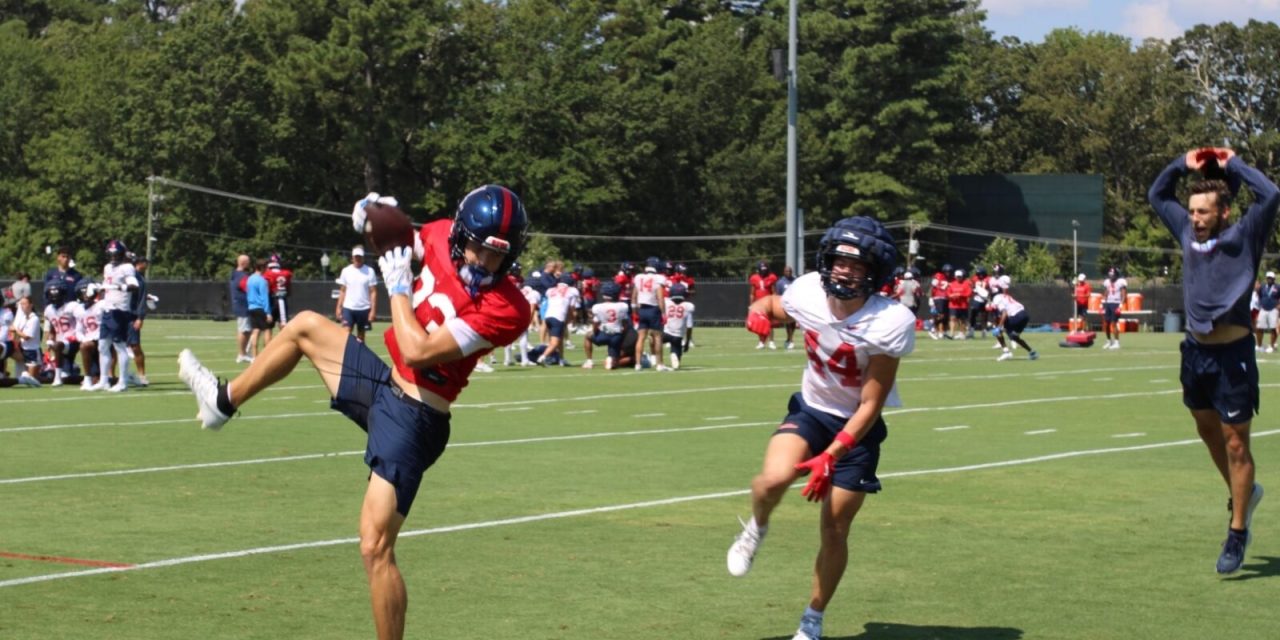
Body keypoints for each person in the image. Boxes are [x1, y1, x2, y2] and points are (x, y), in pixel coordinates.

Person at [177, 185, 531, 639]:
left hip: (416, 418)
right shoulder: (442, 236)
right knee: (304, 325)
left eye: (497, 256)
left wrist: (399, 287)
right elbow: (398, 236)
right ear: (462, 236)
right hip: (384, 386)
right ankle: (223, 402)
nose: (485, 263)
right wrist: (372, 214)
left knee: (374, 546)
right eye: (479, 250)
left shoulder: (509, 308)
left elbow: (417, 350)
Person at [731, 217, 915, 640]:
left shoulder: (890, 321)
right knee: (771, 481)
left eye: (857, 264)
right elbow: (773, 306)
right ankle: (756, 527)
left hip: (857, 430)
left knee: (834, 527)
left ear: (876, 271)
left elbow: (871, 403)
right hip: (812, 410)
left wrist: (832, 456)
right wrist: (756, 313)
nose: (844, 271)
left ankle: (812, 619)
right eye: (839, 261)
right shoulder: (808, 290)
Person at [1148, 146, 1278, 574]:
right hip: (1195, 352)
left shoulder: (1245, 234)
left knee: (1236, 441)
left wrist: (1232, 162)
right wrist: (1180, 164)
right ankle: (1245, 491)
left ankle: (1237, 532)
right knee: (1207, 431)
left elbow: (1271, 194)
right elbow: (1156, 194)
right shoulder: (1185, 231)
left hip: (1233, 355)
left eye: (1204, 211)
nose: (1196, 217)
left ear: (1224, 212)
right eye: (1193, 211)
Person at [95, 240, 138, 392]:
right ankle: (103, 380)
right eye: (111, 254)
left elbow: (134, 286)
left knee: (120, 347)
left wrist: (118, 286)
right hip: (107, 309)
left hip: (119, 310)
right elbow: (106, 285)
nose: (113, 257)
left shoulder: (127, 267)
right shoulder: (107, 267)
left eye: (116, 254)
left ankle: (123, 381)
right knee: (102, 346)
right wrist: (97, 288)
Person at [581, 281, 629, 370]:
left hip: (603, 335)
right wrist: (622, 333)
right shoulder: (623, 306)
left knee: (588, 336)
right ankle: (611, 359)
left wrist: (594, 332)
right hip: (617, 335)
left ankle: (589, 361)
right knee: (613, 361)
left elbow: (596, 323)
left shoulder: (597, 307)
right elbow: (625, 323)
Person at [336, 246, 379, 342]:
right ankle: (346, 356)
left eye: (359, 256)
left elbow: (373, 292)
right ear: (352, 258)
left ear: (363, 257)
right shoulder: (346, 271)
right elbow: (342, 290)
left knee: (361, 336)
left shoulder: (370, 271)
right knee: (346, 334)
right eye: (356, 256)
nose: (357, 259)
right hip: (348, 308)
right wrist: (338, 307)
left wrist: (373, 310)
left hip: (364, 309)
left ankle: (359, 356)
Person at [991, 276, 1038, 362]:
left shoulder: (997, 298)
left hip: (1015, 316)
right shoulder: (1006, 296)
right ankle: (1032, 352)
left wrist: (999, 327)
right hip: (1024, 315)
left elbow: (1004, 313)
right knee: (1014, 336)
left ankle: (1006, 352)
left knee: (997, 328)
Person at [126, 254, 150, 386]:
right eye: (144, 262)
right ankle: (113, 376)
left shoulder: (140, 278)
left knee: (135, 346)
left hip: (131, 316)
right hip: (123, 314)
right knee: (115, 347)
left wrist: (140, 317)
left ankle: (141, 375)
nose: (146, 265)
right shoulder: (129, 276)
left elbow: (141, 299)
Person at [661, 283, 694, 369]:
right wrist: (687, 342)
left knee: (653, 340)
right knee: (676, 351)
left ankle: (654, 357)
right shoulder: (688, 306)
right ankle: (674, 354)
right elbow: (689, 326)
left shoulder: (666, 302)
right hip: (678, 336)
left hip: (666, 333)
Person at [12, 295, 43, 387]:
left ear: (31, 305)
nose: (22, 306)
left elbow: (27, 336)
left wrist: (15, 330)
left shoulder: (34, 319)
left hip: (32, 351)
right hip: (23, 350)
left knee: (32, 381)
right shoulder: (23, 318)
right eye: (21, 304)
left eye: (24, 304)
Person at [245, 258, 273, 358]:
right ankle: (268, 355)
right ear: (262, 267)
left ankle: (254, 356)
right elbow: (264, 297)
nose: (267, 269)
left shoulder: (250, 279)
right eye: (266, 267)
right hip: (261, 308)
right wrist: (268, 312)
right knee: (267, 330)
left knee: (255, 330)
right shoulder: (262, 281)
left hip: (251, 307)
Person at [749, 261, 779, 349]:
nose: (763, 271)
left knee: (770, 323)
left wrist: (774, 303)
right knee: (760, 323)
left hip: (768, 303)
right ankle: (761, 342)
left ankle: (771, 342)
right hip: (758, 304)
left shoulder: (771, 277)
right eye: (762, 270)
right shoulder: (754, 278)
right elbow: (752, 293)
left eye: (765, 270)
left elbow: (774, 292)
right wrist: (751, 304)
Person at [229, 254, 253, 363]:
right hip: (243, 306)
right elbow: (248, 289)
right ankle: (242, 354)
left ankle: (244, 353)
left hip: (240, 305)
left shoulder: (235, 274)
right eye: (248, 262)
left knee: (247, 330)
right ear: (244, 263)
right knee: (244, 330)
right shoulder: (242, 276)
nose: (250, 264)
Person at [265, 253, 295, 327]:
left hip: (271, 299)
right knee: (283, 323)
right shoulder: (286, 273)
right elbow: (289, 287)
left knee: (268, 326)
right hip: (282, 299)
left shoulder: (267, 273)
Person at [1100, 267, 1127, 349]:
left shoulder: (1120, 282)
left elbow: (1124, 295)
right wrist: (1101, 304)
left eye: (1113, 275)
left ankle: (1117, 343)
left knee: (1113, 323)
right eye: (1110, 275)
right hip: (1108, 303)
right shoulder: (1107, 282)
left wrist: (1121, 305)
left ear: (1116, 275)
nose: (1111, 276)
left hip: (1116, 304)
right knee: (1105, 323)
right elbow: (1106, 292)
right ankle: (1109, 341)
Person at [1254, 271, 1279, 353]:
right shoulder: (1263, 286)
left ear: (1274, 279)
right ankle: (1259, 346)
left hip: (1273, 309)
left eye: (1271, 278)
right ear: (1266, 278)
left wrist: (1278, 306)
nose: (1269, 279)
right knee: (1259, 328)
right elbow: (1259, 294)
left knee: (1273, 328)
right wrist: (1261, 304)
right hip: (1263, 309)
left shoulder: (1278, 287)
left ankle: (1271, 346)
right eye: (1268, 277)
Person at [775, 266, 797, 350]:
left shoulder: (795, 281)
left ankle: (789, 339)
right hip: (785, 305)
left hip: (794, 304)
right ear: (784, 272)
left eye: (790, 271)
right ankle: (790, 340)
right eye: (787, 271)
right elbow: (778, 294)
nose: (788, 273)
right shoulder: (780, 282)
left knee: (793, 323)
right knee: (787, 323)